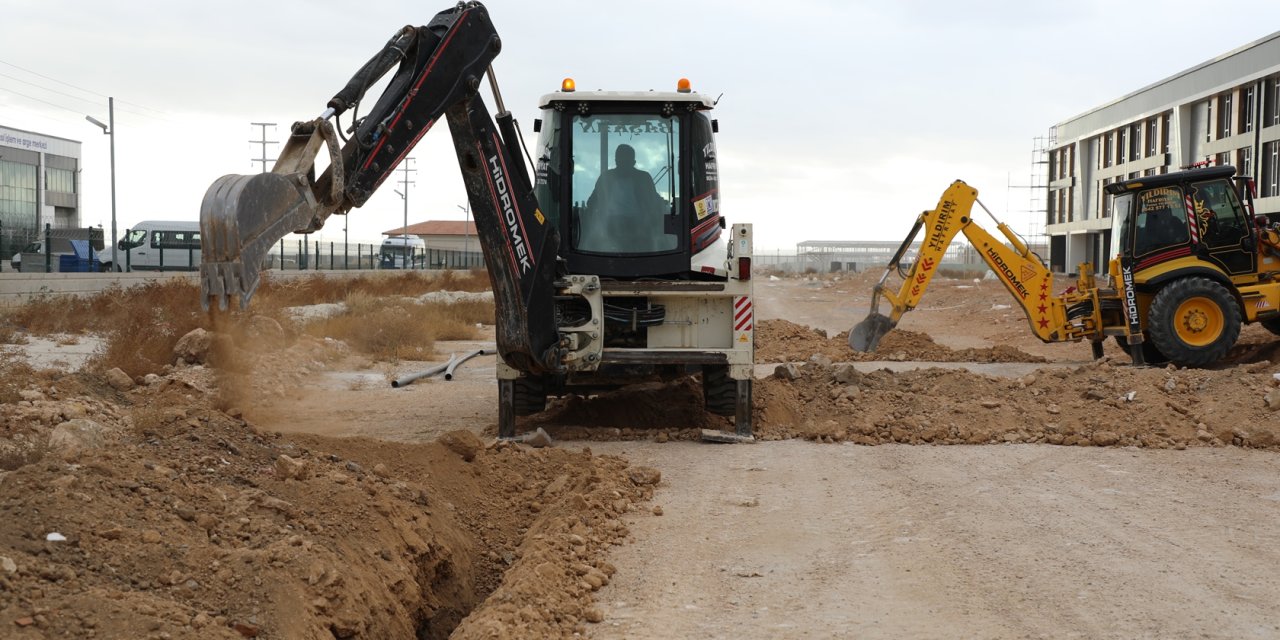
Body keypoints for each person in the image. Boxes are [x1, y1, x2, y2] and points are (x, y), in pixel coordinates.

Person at [585, 144, 667, 251]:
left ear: (633, 162)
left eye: (625, 162)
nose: (623, 165)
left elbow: (591, 203)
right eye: (621, 161)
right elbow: (592, 203)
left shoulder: (643, 178)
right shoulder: (607, 178)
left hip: (637, 228)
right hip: (614, 228)